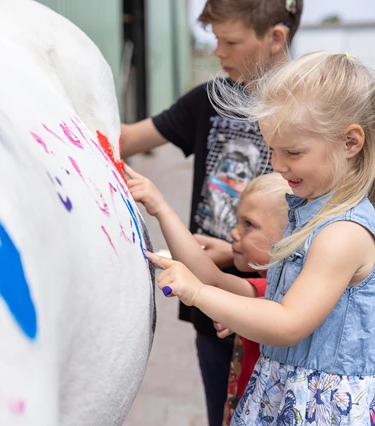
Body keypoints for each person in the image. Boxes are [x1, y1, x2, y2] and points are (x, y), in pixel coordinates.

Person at [144, 51, 375, 424]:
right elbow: (251, 292)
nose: (278, 164)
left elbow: (287, 322)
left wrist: (199, 294)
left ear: (350, 143)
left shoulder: (343, 233)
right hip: (284, 393)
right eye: (272, 149)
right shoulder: (309, 215)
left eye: (293, 152)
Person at [120, 1, 303, 424]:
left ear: (276, 37)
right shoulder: (209, 99)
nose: (218, 52)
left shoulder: (311, 111)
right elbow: (126, 139)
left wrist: (242, 255)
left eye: (231, 41)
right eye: (215, 39)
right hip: (214, 310)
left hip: (278, 310)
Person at [125, 166, 292, 424]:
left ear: (288, 238)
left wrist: (161, 209)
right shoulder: (267, 288)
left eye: (249, 225)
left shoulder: (275, 295)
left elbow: (208, 279)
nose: (234, 233)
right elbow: (210, 276)